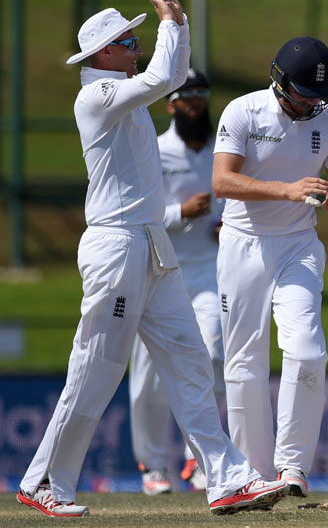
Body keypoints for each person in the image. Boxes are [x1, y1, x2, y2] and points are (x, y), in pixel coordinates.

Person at [16, 0, 286, 518]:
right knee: (96, 368)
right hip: (116, 248)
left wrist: (178, 25)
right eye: (128, 42)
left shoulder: (128, 90)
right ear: (103, 54)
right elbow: (166, 75)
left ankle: (227, 480)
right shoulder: (98, 96)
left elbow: (171, 73)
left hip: (152, 246)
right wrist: (170, 26)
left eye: (137, 40)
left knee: (189, 360)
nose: (136, 49)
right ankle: (43, 481)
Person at [211, 36, 328, 498]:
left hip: (298, 245)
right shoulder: (243, 111)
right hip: (243, 245)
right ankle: (252, 478)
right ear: (278, 80)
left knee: (308, 351)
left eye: (319, 95)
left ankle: (292, 467)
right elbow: (222, 182)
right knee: (244, 362)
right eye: (302, 94)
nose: (312, 103)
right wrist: (286, 190)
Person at [128, 68, 221, 495]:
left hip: (210, 271)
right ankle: (153, 466)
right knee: (148, 376)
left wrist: (230, 227)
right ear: (170, 103)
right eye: (187, 95)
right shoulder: (154, 150)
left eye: (201, 93)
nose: (196, 101)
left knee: (213, 356)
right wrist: (181, 213)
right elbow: (134, 217)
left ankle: (199, 459)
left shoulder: (224, 150)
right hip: (158, 269)